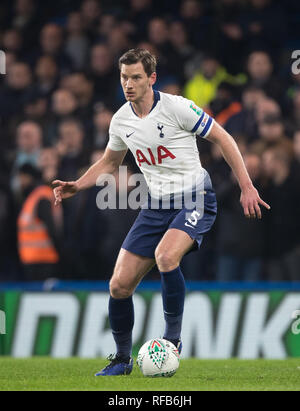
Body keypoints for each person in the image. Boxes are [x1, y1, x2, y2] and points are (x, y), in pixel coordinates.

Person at [52, 48, 270, 376]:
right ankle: (122, 359)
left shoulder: (177, 107)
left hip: (195, 198)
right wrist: (77, 185)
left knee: (166, 256)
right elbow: (110, 163)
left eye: (136, 77)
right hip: (155, 206)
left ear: (151, 78)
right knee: (119, 285)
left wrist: (247, 186)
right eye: (124, 77)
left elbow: (224, 139)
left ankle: (172, 341)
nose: (129, 83)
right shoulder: (121, 120)